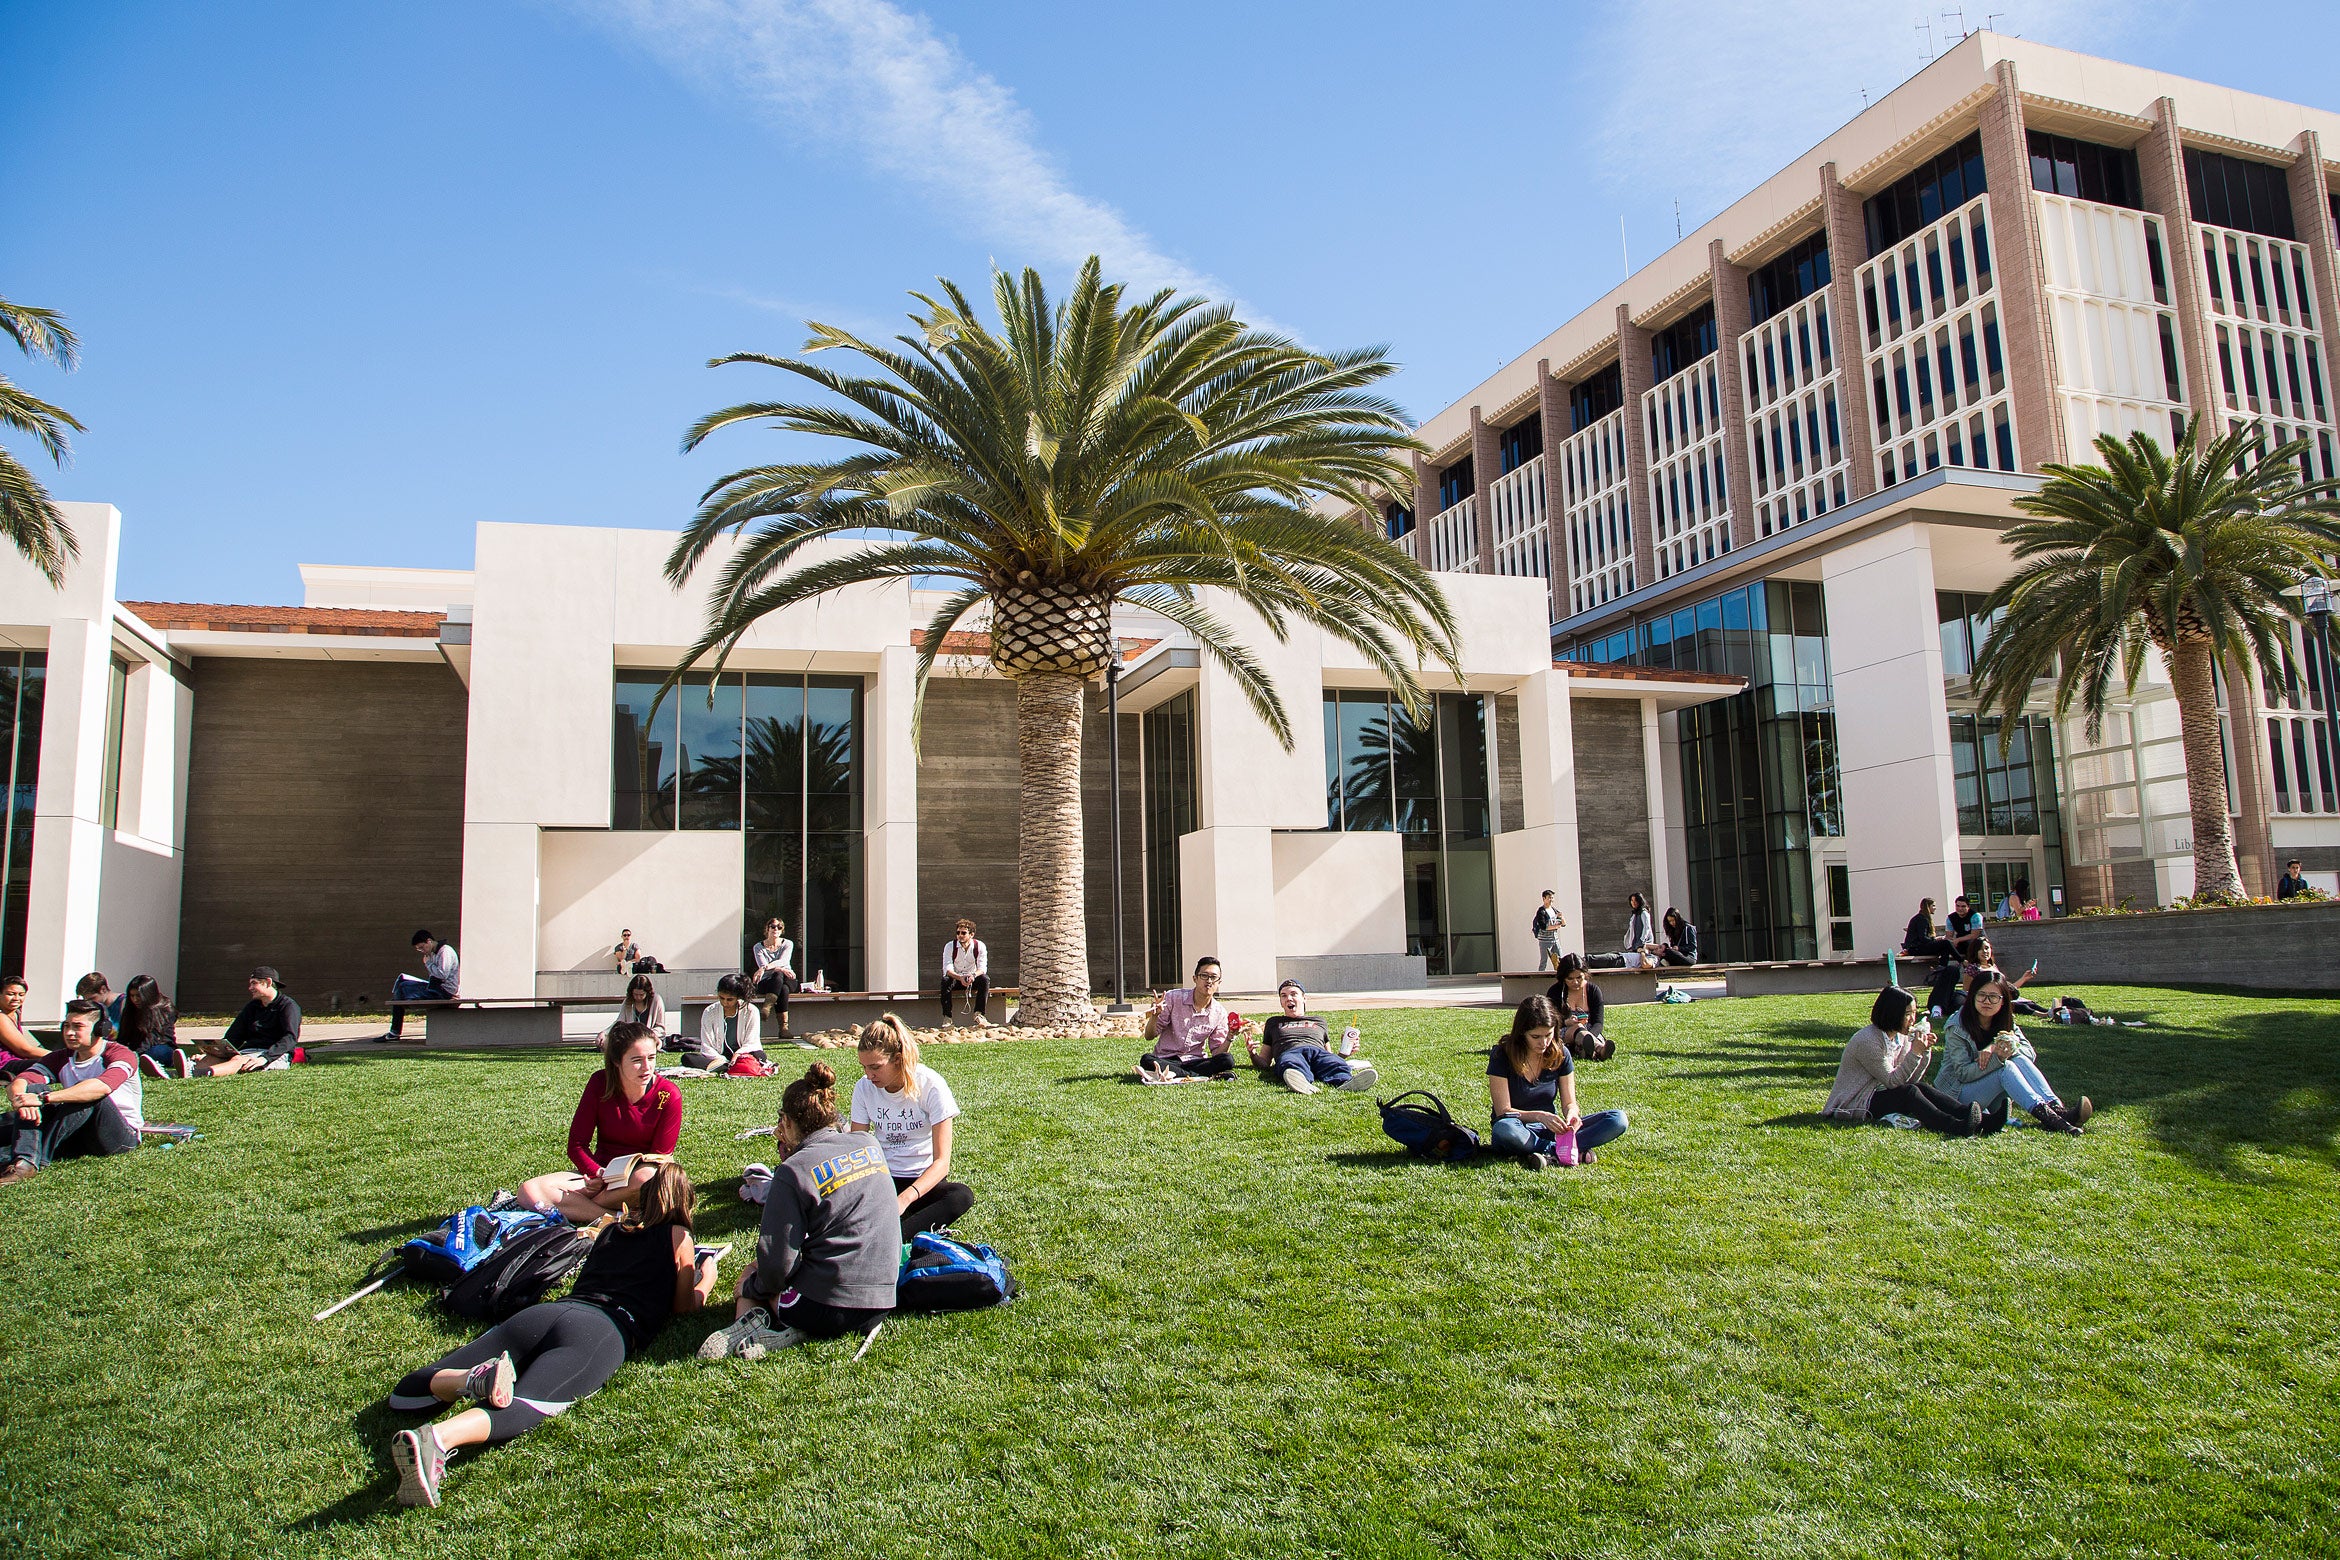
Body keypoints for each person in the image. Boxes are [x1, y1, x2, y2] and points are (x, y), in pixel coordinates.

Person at [385, 1161, 719, 1507]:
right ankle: (437, 1439)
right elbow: (684, 1307)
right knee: (527, 1405)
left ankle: (469, 1379)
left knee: (406, 1394)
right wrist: (706, 1279)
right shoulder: (679, 1236)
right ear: (683, 1203)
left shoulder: (609, 1230)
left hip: (547, 1313)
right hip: (602, 1329)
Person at [700, 1061, 901, 1360]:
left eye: (781, 1121)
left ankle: (752, 1325)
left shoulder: (792, 1170)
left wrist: (753, 1286)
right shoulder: (868, 1143)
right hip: (883, 1301)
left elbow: (776, 1264)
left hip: (827, 1307)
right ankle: (789, 1327)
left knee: (749, 1275)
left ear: (790, 1122)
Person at [519, 1022, 682, 1221]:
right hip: (602, 1174)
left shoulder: (668, 1094)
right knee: (528, 1191)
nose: (647, 1067)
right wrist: (596, 1173)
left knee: (647, 1178)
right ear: (616, 1061)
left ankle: (581, 1208)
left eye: (652, 1058)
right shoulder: (599, 1083)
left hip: (638, 1178)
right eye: (637, 1060)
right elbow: (577, 1145)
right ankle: (613, 1217)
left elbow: (660, 1156)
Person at [850, 1014, 974, 1236]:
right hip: (882, 1177)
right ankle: (897, 1232)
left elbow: (941, 1163)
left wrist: (904, 1199)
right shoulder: (863, 1089)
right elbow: (857, 1150)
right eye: (864, 1068)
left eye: (875, 1067)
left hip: (922, 1182)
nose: (869, 1075)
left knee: (960, 1195)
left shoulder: (930, 1084)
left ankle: (891, 1238)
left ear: (897, 1059)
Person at [0, 999, 145, 1183]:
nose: (69, 1032)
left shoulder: (120, 1054)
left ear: (101, 1029)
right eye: (66, 1026)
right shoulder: (61, 1057)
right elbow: (22, 1080)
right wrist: (22, 1099)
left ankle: (35, 1160)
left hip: (120, 1136)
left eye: (77, 1027)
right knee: (33, 1089)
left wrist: (43, 1098)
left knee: (88, 1097)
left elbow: (100, 1088)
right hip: (76, 1128)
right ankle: (24, 1161)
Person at [1821, 985, 1997, 1136]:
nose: (1913, 1019)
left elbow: (1911, 1079)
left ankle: (1978, 1119)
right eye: (1907, 1014)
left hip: (1882, 1094)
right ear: (1892, 1014)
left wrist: (1924, 1051)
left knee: (1920, 1088)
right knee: (1909, 1094)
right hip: (1856, 1101)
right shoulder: (1867, 1040)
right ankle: (1952, 1125)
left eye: (1914, 1012)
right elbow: (1892, 1082)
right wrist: (1916, 1052)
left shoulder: (1900, 1036)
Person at [1487, 995, 1629, 1169]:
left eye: (1548, 1034)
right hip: (1518, 1127)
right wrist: (1540, 1116)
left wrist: (1572, 1115)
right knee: (1504, 1129)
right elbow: (1503, 1111)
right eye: (1535, 1037)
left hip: (1551, 1129)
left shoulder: (1560, 1054)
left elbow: (1570, 1103)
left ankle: (1551, 1152)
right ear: (1522, 1033)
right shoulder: (1502, 1055)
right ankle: (1562, 1150)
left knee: (1617, 1119)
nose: (1544, 1043)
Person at [1935, 978, 2092, 1135]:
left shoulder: (2005, 1020)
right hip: (1956, 1094)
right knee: (2006, 1067)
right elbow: (1963, 1073)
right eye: (1981, 995)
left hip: (1993, 1097)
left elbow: (2029, 1054)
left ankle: (2057, 1109)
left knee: (2019, 1058)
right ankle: (2051, 1118)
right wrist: (1997, 1058)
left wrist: (1998, 1048)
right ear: (1972, 997)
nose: (1987, 1001)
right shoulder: (1957, 1026)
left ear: (2003, 1001)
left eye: (1993, 997)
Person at [1244, 980, 1377, 1094]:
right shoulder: (1273, 1022)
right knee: (1290, 1063)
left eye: (1293, 994)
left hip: (1318, 1052)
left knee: (1334, 1063)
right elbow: (1265, 1063)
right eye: (1283, 996)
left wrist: (1344, 1053)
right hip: (1290, 1052)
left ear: (1304, 998)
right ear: (1281, 1002)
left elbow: (1328, 1054)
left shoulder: (1319, 1021)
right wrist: (1253, 1054)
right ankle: (1301, 1081)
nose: (1288, 998)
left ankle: (1347, 1082)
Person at [1138, 956, 1239, 1080]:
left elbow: (1217, 1053)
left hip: (1195, 1061)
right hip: (1167, 1059)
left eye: (1213, 977)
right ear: (1195, 979)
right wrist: (1155, 1016)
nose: (1209, 981)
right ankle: (1197, 1076)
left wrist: (1230, 1037)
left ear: (1219, 983)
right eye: (1204, 976)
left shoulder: (1219, 1012)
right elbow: (1149, 1036)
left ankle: (1173, 1075)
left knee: (1227, 1060)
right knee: (1146, 1060)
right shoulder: (1173, 998)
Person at [191, 967, 301, 1076]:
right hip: (248, 1052)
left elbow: (290, 1038)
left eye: (254, 983)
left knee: (238, 1060)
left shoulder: (288, 1006)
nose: (250, 988)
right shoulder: (252, 1007)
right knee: (211, 1059)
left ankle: (198, 1074)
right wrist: (217, 1052)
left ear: (268, 982)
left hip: (275, 1055)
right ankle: (185, 1071)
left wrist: (265, 1058)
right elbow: (234, 1036)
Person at [376, 929, 459, 1044]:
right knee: (402, 982)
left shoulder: (445, 951)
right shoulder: (433, 953)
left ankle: (394, 1032)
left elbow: (442, 975)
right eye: (419, 949)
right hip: (436, 988)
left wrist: (428, 963)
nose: (421, 951)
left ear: (429, 941)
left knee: (402, 989)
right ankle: (394, 1029)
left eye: (422, 947)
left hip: (445, 992)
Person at [685, 974, 769, 1074]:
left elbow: (751, 1042)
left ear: (738, 997)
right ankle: (727, 1067)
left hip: (742, 1055)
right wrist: (721, 1059)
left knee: (760, 1056)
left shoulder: (751, 1011)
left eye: (729, 999)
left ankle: (729, 1067)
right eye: (721, 998)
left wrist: (738, 1054)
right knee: (687, 1058)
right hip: (717, 1058)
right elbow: (707, 1045)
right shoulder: (709, 1011)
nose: (725, 1003)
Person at [1543, 952, 1613, 1062]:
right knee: (1578, 1028)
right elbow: (1549, 1021)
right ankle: (1599, 1049)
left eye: (1579, 977)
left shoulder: (1593, 991)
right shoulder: (1555, 992)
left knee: (1583, 1032)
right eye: (1570, 979)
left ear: (1585, 974)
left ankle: (1584, 1048)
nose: (1575, 982)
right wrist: (1566, 1022)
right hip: (1563, 1031)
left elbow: (1598, 1023)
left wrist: (1589, 1035)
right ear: (1563, 978)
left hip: (1590, 1031)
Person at [120, 974, 182, 1079]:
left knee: (157, 1052)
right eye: (132, 996)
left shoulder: (165, 1009)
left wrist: (135, 1055)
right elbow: (123, 1037)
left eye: (138, 996)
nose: (135, 1000)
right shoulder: (131, 1010)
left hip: (160, 1046)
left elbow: (154, 1038)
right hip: (135, 1048)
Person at [747, 917, 797, 1039]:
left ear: (782, 930)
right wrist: (780, 968)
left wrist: (767, 967)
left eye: (779, 927)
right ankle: (783, 1028)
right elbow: (762, 964)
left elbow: (784, 960)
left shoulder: (788, 944)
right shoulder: (758, 947)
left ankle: (767, 1006)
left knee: (781, 979)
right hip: (767, 982)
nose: (776, 929)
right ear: (767, 928)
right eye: (773, 927)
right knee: (781, 984)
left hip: (788, 978)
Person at [938, 918, 990, 1026]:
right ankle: (947, 1018)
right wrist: (959, 977)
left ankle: (979, 1014)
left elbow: (982, 968)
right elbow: (947, 969)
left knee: (985, 979)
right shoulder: (950, 946)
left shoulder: (979, 946)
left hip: (972, 978)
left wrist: (973, 975)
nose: (960, 935)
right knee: (945, 980)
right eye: (958, 933)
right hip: (956, 979)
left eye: (963, 933)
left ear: (971, 934)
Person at [604, 972, 668, 1043]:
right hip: (631, 1039)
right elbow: (619, 1022)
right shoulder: (628, 1002)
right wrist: (604, 1033)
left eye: (641, 995)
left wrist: (648, 1034)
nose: (638, 997)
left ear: (647, 993)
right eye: (635, 994)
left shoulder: (656, 1000)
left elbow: (661, 1028)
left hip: (650, 1038)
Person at [0, 975, 41, 1062]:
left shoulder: (16, 1013)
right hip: (5, 1064)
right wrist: (59, 1056)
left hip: (17, 1059)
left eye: (21, 995)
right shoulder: (1, 1017)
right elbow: (25, 1050)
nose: (16, 998)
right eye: (11, 994)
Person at [1531, 890, 1565, 973]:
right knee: (1544, 961)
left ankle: (1561, 975)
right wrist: (1556, 926)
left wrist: (1562, 919)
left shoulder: (1554, 910)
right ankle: (1540, 977)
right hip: (1545, 940)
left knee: (1560, 959)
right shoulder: (1541, 911)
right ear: (1544, 898)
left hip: (1555, 939)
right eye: (1549, 898)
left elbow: (1563, 924)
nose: (1551, 900)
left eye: (1552, 898)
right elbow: (1543, 927)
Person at [1623, 893, 1655, 957]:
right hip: (1635, 943)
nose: (1633, 903)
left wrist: (1642, 940)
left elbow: (1647, 928)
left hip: (1643, 943)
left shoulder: (1644, 913)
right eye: (1632, 901)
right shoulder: (1634, 914)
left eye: (1635, 901)